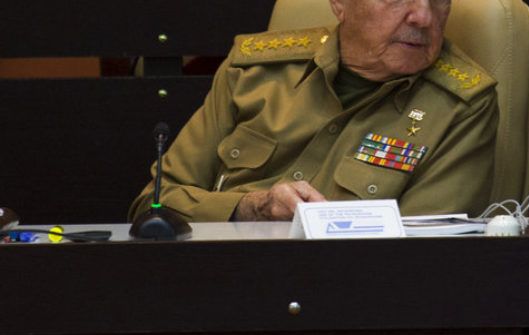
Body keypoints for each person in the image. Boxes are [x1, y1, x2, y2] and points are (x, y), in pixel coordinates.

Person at [129, 0, 498, 222]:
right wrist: (250, 208)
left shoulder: (461, 104)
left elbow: (421, 251)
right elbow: (155, 205)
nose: (423, 17)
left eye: (440, 0)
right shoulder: (253, 72)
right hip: (215, 280)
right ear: (340, 3)